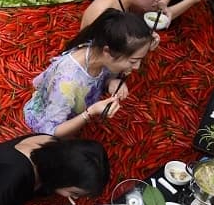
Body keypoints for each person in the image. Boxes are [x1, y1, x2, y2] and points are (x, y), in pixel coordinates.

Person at [23, 10, 154, 137]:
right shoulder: (67, 81)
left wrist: (111, 81)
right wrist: (90, 112)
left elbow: (101, 77)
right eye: (134, 61)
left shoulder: (97, 50)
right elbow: (50, 132)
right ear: (107, 52)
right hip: (50, 124)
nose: (137, 67)